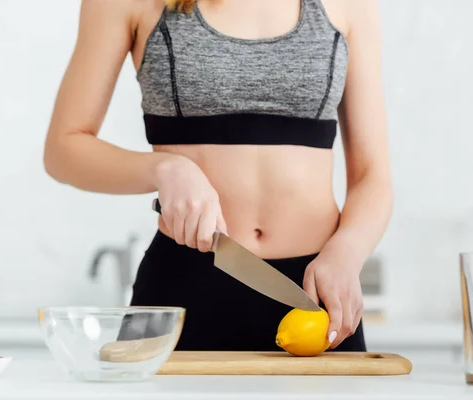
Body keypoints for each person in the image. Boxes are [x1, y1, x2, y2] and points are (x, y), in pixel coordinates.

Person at [43, 0, 392, 352]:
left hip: (315, 300)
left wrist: (347, 252)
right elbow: (63, 149)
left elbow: (372, 176)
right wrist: (166, 167)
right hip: (183, 287)